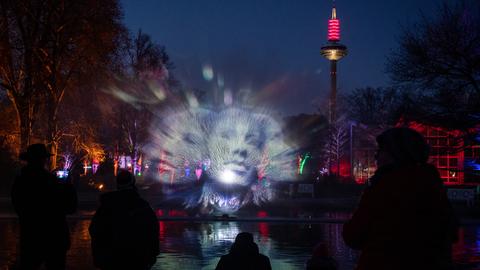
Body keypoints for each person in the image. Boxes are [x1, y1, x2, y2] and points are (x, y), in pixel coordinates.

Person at [343, 127, 458, 270]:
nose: (376, 156)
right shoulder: (433, 187)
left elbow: (354, 236)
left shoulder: (383, 188)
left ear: (396, 155)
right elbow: (450, 232)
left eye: (381, 151)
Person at [11, 143, 77, 270]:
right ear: (43, 160)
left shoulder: (20, 182)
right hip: (54, 239)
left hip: (30, 238)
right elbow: (70, 207)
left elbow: (19, 207)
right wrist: (69, 186)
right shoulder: (51, 182)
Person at [89, 170, 159, 270]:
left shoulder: (106, 206)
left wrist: (99, 258)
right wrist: (151, 256)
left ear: (117, 184)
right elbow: (153, 230)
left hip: (111, 260)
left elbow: (95, 230)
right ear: (133, 183)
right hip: (138, 260)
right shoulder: (142, 206)